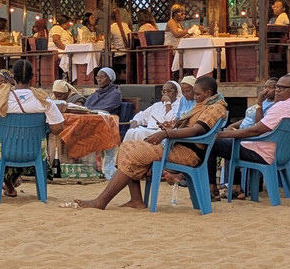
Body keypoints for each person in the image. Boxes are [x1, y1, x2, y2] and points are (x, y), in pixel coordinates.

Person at [75, 75, 227, 210]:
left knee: (133, 154)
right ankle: (135, 200)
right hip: (177, 146)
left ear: (208, 93)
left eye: (198, 94)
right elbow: (190, 127)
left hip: (188, 152)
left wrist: (165, 133)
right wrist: (171, 128)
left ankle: (102, 201)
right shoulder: (205, 105)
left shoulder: (215, 108)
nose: (194, 97)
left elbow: (196, 130)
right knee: (127, 146)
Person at [208, 73, 290, 200]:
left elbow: (256, 130)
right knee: (228, 142)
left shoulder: (282, 107)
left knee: (211, 142)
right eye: (277, 87)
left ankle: (212, 189)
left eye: (282, 88)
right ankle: (234, 187)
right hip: (281, 153)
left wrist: (222, 134)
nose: (278, 90)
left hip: (262, 152)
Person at [0, 59, 65, 197]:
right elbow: (57, 128)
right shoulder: (44, 100)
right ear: (32, 77)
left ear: (13, 77)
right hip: (35, 152)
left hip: (3, 152)